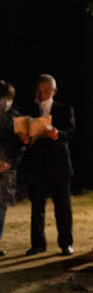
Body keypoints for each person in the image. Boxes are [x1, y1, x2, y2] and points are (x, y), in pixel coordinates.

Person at [21, 74, 75, 256]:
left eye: (46, 90)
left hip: (59, 164)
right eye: (40, 90)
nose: (43, 93)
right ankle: (38, 243)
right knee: (37, 207)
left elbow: (72, 133)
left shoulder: (64, 110)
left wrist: (57, 133)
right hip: (36, 165)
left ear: (54, 91)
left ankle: (66, 243)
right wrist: (24, 137)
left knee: (63, 206)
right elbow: (22, 135)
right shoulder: (30, 109)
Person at [0, 79, 25, 257]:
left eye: (8, 98)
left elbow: (20, 145)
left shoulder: (15, 116)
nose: (5, 102)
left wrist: (9, 161)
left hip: (7, 169)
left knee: (1, 207)